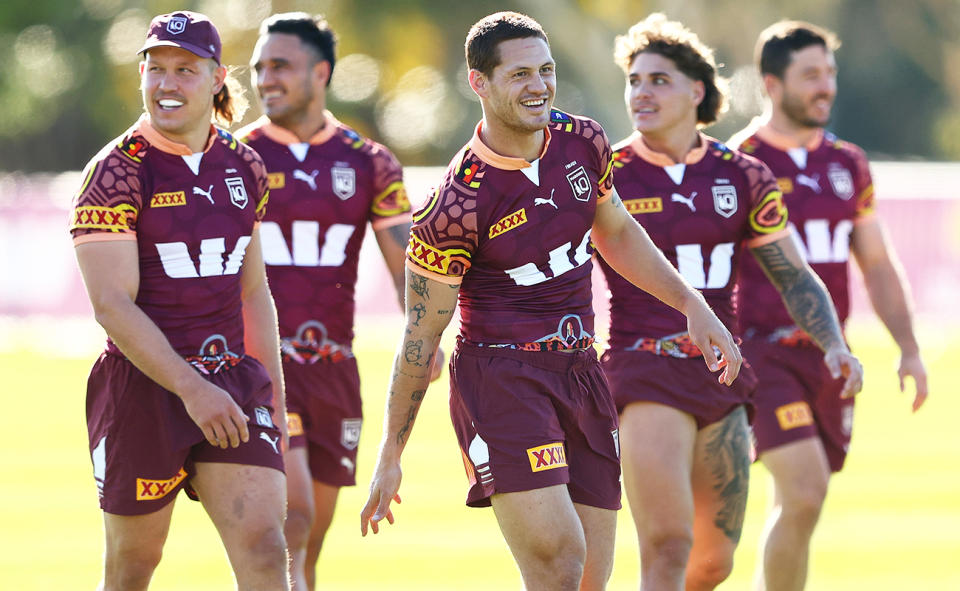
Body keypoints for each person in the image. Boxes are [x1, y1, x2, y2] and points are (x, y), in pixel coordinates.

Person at [359, 12, 743, 591]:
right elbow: (420, 336)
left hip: (582, 372)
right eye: (519, 74)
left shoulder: (584, 141)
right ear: (478, 83)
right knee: (560, 562)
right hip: (501, 378)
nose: (538, 85)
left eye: (546, 69)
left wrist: (692, 303)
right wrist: (391, 451)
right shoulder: (453, 205)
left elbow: (614, 231)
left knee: (591, 575)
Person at [599, 14, 864, 591]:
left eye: (658, 80)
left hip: (723, 374)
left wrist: (834, 343)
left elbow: (795, 276)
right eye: (634, 80)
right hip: (643, 365)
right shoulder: (605, 173)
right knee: (667, 546)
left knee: (713, 564)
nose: (641, 92)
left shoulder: (743, 175)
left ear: (697, 91)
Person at [70, 11, 289, 590]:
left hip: (232, 382)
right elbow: (112, 306)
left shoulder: (245, 163)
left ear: (217, 77)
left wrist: (277, 397)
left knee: (266, 550)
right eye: (156, 68)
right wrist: (193, 391)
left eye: (185, 70)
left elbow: (253, 290)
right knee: (132, 569)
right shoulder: (114, 173)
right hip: (144, 389)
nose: (167, 83)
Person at [728, 20, 929, 591]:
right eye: (810, 75)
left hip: (829, 357)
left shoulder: (848, 164)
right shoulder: (737, 163)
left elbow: (878, 264)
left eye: (831, 73)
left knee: (800, 504)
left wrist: (909, 349)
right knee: (805, 491)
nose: (826, 87)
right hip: (761, 355)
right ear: (771, 84)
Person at [237, 12, 427, 591]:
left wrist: (426, 337)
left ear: (321, 73)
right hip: (263, 368)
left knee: (308, 544)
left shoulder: (370, 162)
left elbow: (410, 272)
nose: (265, 80)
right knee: (291, 518)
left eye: (280, 67)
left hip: (336, 369)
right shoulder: (235, 158)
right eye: (259, 69)